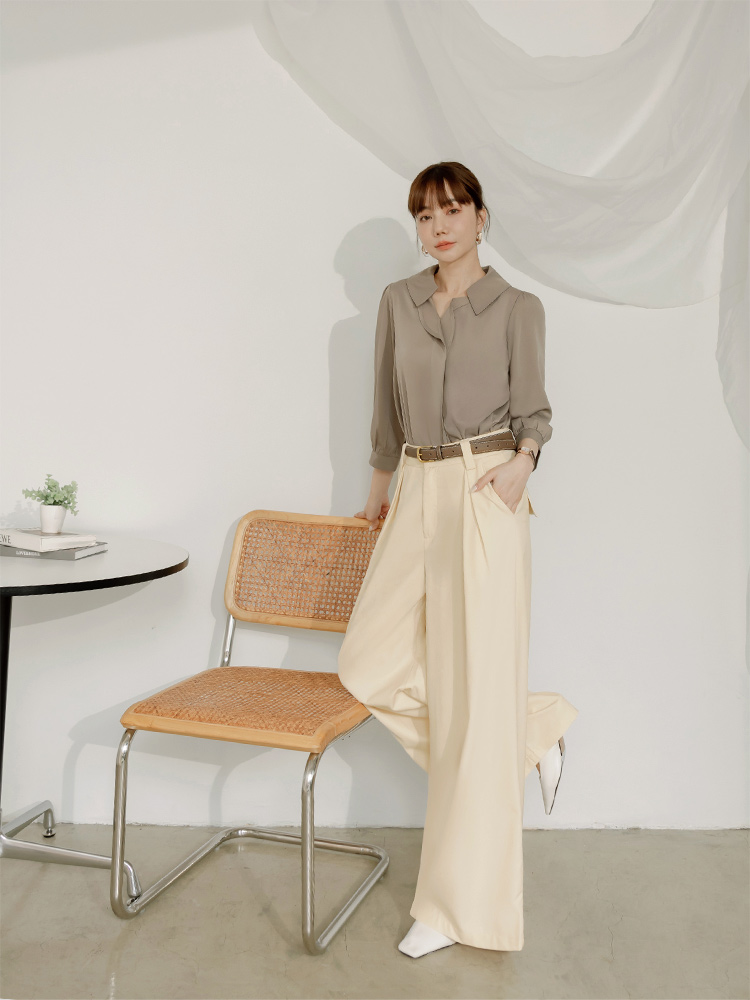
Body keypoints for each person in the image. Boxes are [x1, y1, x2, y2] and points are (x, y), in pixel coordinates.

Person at [337, 161, 579, 958]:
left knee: (475, 694)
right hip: (414, 487)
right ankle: (530, 730)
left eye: (452, 209)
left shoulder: (518, 308)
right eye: (424, 214)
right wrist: (379, 489)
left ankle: (451, 909)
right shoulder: (397, 303)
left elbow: (535, 408)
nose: (438, 226)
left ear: (480, 217)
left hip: (486, 489)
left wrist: (523, 465)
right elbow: (385, 406)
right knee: (366, 662)